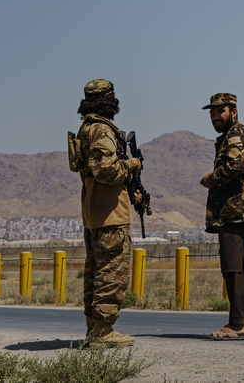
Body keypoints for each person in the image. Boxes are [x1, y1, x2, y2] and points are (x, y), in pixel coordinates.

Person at [76, 79, 141, 347]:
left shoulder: (87, 128)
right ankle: (103, 332)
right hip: (110, 215)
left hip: (94, 213)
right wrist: (132, 164)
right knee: (112, 274)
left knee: (96, 273)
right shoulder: (102, 129)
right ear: (109, 100)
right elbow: (107, 170)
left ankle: (94, 330)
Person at [201, 93, 244, 340]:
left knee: (235, 269)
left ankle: (237, 324)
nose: (215, 116)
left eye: (221, 112)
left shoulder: (237, 134)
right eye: (212, 113)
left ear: (234, 112)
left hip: (237, 212)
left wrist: (211, 179)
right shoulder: (233, 136)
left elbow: (236, 165)